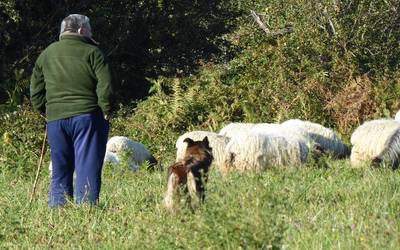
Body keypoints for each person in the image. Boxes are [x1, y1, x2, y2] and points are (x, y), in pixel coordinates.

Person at [30, 14, 113, 207]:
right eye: (90, 29)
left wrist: (45, 110)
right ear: (81, 30)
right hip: (87, 117)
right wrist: (107, 108)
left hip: (56, 120)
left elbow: (36, 89)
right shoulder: (93, 52)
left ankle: (58, 211)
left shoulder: (47, 54)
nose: (91, 33)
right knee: (87, 167)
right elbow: (106, 85)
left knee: (60, 169)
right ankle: (86, 212)